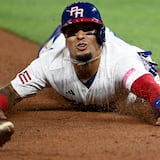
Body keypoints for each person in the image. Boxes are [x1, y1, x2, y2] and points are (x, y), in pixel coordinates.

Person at [0, 1, 160, 146]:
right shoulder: (49, 62)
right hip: (56, 50)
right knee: (46, 51)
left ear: (100, 34)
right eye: (72, 31)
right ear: (65, 38)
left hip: (120, 66)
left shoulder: (121, 60)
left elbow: (148, 86)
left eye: (88, 30)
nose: (80, 36)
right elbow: (11, 92)